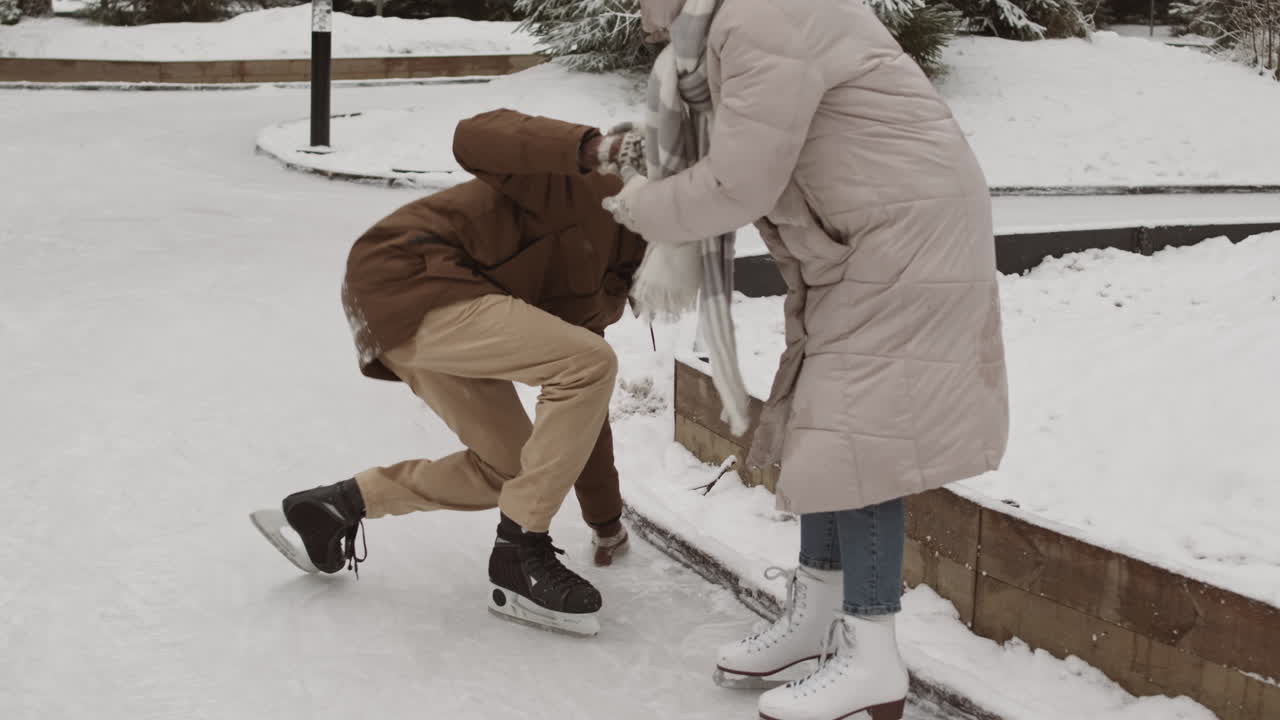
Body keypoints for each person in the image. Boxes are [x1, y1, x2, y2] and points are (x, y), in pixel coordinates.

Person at [604, 1, 1011, 717]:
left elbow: (740, 182)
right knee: (831, 432)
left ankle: (873, 655)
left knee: (860, 439)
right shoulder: (733, 21)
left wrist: (642, 207)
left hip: (901, 239)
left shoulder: (761, 17)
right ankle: (820, 615)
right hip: (862, 238)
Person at [251, 109, 647, 637]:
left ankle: (338, 504)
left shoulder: (609, 283)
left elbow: (583, 411)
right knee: (588, 364)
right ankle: (520, 551)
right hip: (410, 272)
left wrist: (605, 521)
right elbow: (475, 135)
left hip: (429, 307)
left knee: (514, 469)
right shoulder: (591, 186)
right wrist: (596, 149)